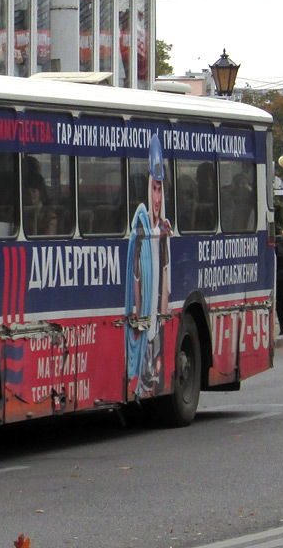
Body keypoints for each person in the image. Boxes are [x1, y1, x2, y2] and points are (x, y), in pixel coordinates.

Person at [125, 135, 172, 398]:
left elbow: (165, 284)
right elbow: (137, 287)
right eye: (153, 188)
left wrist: (161, 322)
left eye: (160, 189)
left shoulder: (163, 232)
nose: (157, 197)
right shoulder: (139, 232)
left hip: (158, 328)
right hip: (144, 326)